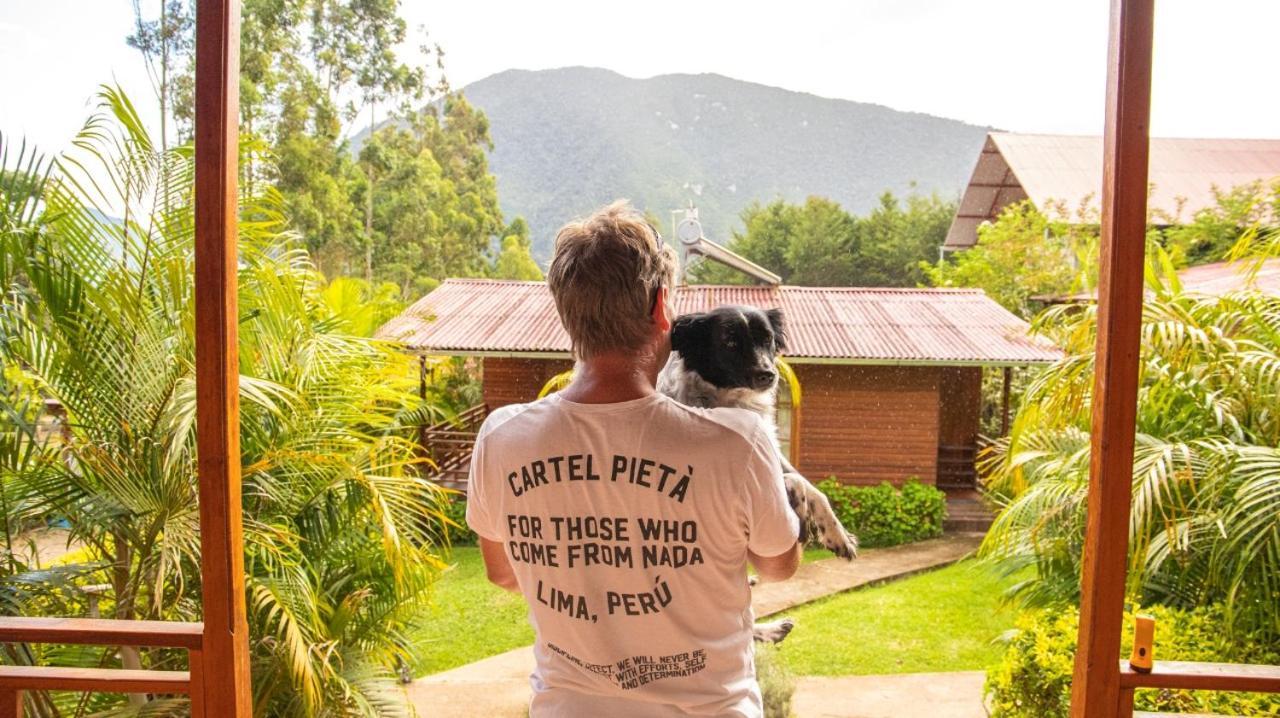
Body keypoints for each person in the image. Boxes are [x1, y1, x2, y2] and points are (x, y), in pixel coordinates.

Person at [466, 200, 802, 717]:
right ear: (661, 307)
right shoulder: (738, 442)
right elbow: (779, 565)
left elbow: (504, 573)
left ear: (564, 311)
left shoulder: (503, 438)